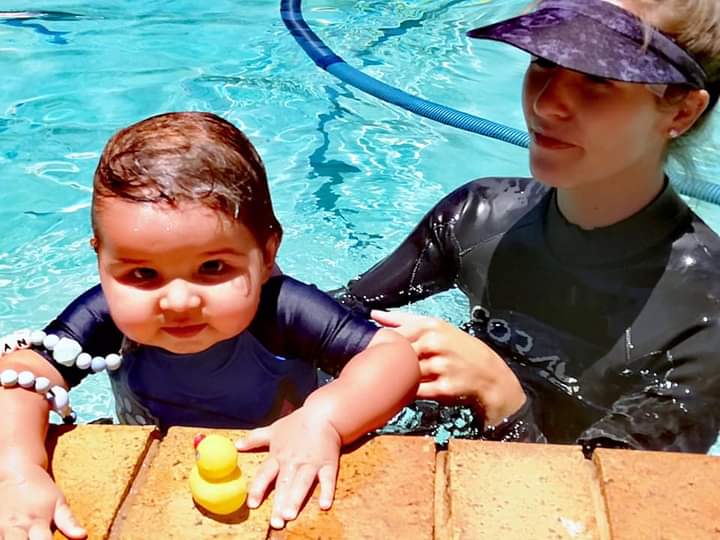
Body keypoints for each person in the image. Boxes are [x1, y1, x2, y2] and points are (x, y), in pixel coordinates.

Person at [0, 112, 419, 538]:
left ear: (267, 252)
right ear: (101, 258)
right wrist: (17, 469)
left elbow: (392, 356)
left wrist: (324, 420)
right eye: (142, 274)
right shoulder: (107, 313)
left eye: (213, 267)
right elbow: (18, 373)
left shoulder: (279, 308)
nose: (179, 301)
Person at [333, 0, 720, 454]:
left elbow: (607, 510)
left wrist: (501, 398)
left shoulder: (704, 315)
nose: (546, 102)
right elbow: (331, 325)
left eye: (597, 79)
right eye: (542, 62)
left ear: (681, 113)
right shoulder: (477, 216)